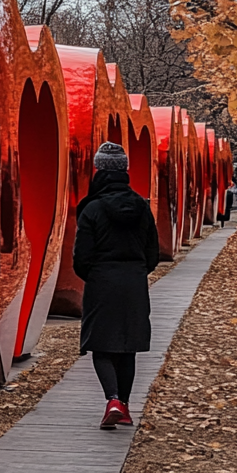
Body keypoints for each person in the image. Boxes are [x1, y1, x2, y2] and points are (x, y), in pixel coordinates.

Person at [73, 142, 160, 430]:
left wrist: (95, 275)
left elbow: (81, 256)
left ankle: (112, 399)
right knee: (128, 347)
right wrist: (137, 271)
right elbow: (152, 252)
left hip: (102, 281)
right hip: (134, 281)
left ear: (99, 169)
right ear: (125, 170)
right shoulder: (142, 207)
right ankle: (123, 405)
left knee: (102, 345)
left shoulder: (91, 209)